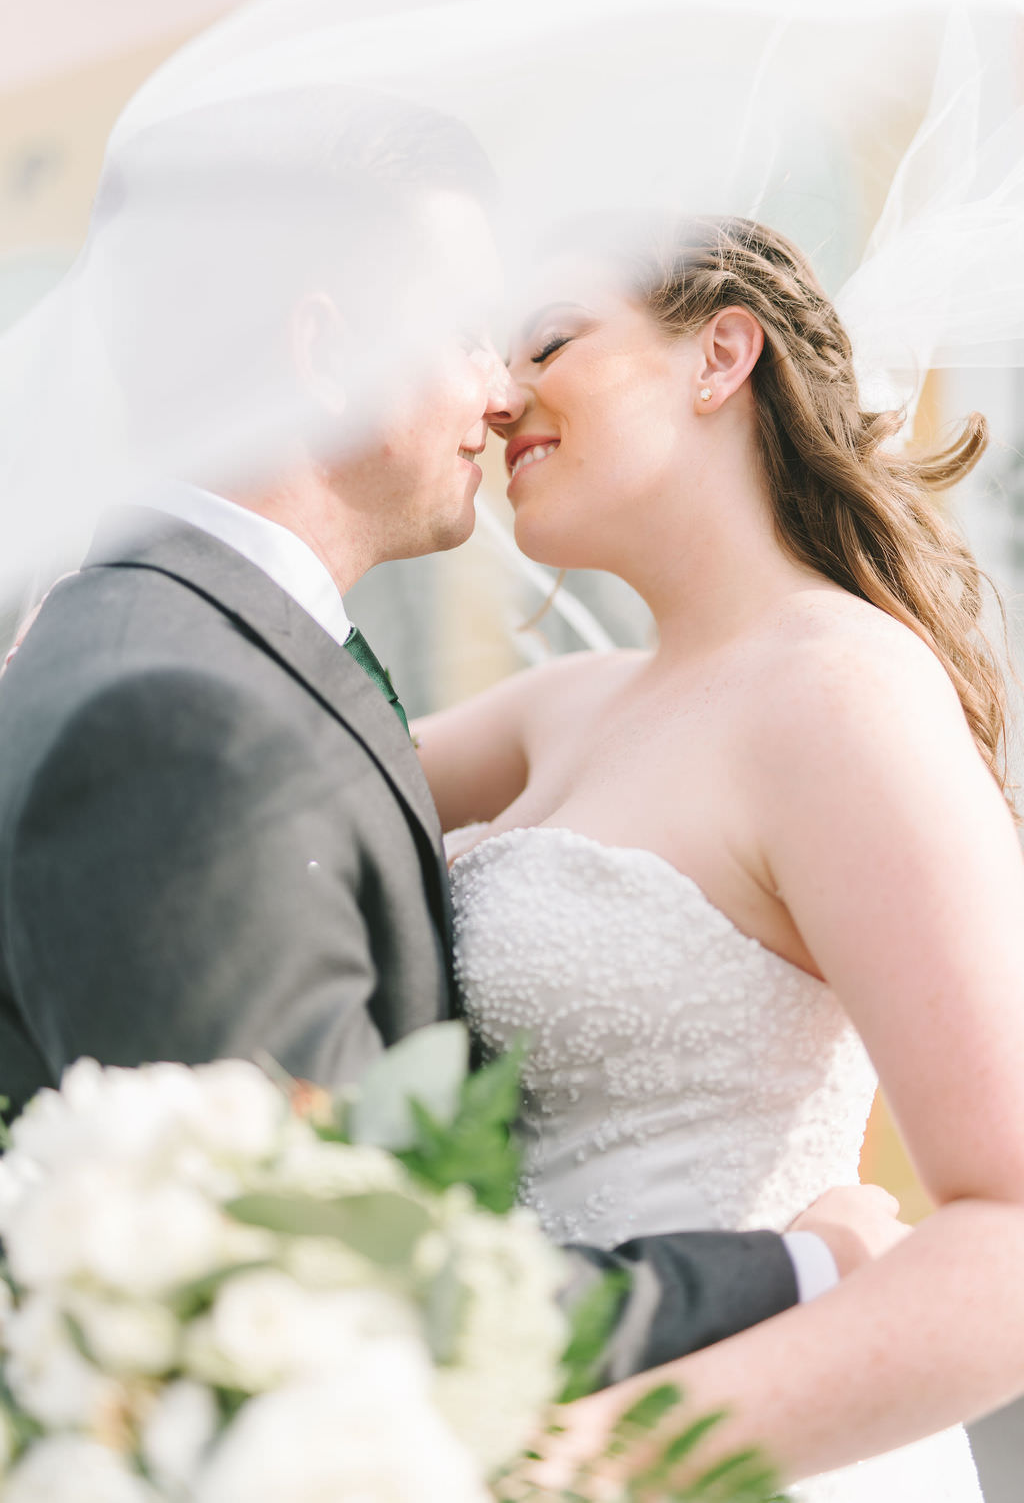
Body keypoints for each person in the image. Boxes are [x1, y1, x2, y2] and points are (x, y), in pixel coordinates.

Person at [0, 95, 894, 1402]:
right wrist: (800, 1268)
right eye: (468, 327)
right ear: (322, 353)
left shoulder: (195, 655)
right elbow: (338, 1268)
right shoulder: (181, 720)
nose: (500, 388)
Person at [413, 214, 1024, 1498]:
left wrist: (593, 1460)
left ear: (719, 356)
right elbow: (272, 762)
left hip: (718, 1454)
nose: (501, 389)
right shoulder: (559, 706)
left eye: (550, 340)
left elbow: (1010, 1235)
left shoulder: (838, 693)